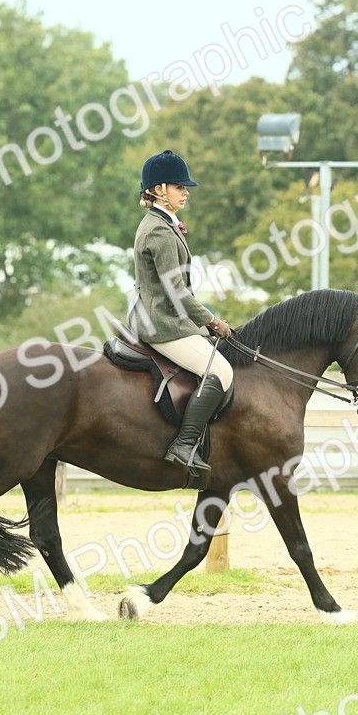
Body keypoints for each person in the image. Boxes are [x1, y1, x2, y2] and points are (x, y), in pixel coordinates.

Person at [127, 149, 234, 479]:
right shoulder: (158, 231)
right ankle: (184, 445)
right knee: (221, 371)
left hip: (170, 319)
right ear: (159, 190)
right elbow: (176, 291)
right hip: (163, 324)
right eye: (179, 187)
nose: (185, 193)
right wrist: (210, 321)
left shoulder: (164, 224)